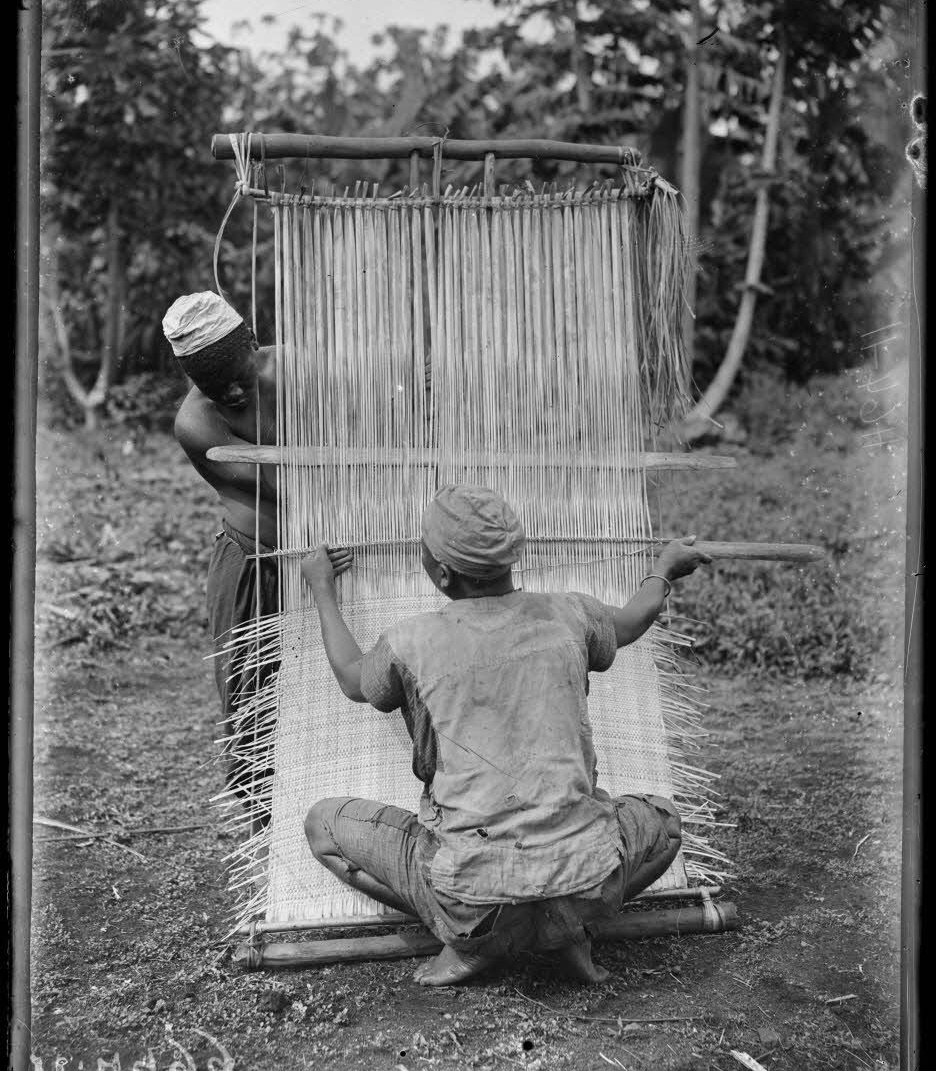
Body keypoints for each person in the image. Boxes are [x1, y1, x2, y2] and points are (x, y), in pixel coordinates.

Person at [299, 483, 712, 987]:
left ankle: (468, 941)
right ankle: (568, 930)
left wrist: (321, 585)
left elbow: (350, 676)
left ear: (442, 572)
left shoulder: (408, 642)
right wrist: (663, 570)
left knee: (323, 825)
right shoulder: (569, 614)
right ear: (512, 557)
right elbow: (630, 621)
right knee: (665, 823)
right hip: (587, 881)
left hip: (472, 895)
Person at [163, 290, 281, 804]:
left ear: (253, 343)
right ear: (193, 381)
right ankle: (268, 828)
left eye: (239, 373)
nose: (232, 391)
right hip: (256, 565)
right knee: (255, 703)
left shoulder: (300, 368)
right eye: (213, 385)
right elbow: (287, 489)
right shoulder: (195, 424)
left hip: (331, 557)